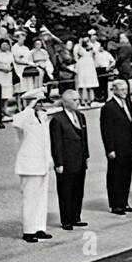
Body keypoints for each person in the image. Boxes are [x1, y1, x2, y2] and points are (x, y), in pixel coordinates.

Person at [12, 88, 54, 243]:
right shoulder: (24, 117)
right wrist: (29, 107)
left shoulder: (42, 118)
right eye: (39, 102)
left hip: (42, 163)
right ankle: (28, 230)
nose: (42, 105)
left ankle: (39, 227)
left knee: (41, 198)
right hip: (29, 164)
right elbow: (16, 121)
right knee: (30, 198)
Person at [49, 88, 91, 231]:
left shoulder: (80, 116)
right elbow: (57, 143)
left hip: (79, 159)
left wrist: (86, 156)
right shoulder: (57, 119)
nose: (78, 102)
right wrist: (58, 162)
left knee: (78, 190)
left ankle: (76, 216)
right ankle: (66, 219)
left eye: (78, 99)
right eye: (75, 100)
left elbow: (84, 139)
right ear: (66, 102)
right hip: (66, 161)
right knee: (66, 190)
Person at [102, 78, 132, 215]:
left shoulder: (128, 103)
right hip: (117, 146)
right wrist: (109, 148)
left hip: (128, 145)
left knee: (126, 175)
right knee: (115, 175)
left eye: (126, 89)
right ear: (115, 90)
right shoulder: (109, 107)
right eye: (122, 90)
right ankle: (116, 204)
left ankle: (124, 201)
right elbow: (107, 130)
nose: (125, 92)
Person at [0, 38, 16, 127]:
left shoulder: (10, 54)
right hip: (0, 74)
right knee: (0, 93)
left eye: (6, 45)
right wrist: (3, 68)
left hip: (8, 75)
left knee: (6, 94)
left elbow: (12, 64)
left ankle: (5, 110)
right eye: (3, 45)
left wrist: (10, 68)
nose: (5, 46)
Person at [73, 34, 98, 105]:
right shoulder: (77, 46)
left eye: (87, 40)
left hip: (90, 65)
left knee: (90, 83)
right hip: (82, 65)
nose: (86, 41)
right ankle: (82, 100)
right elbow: (76, 56)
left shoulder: (90, 46)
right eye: (85, 40)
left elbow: (94, 54)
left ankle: (91, 99)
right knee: (82, 83)